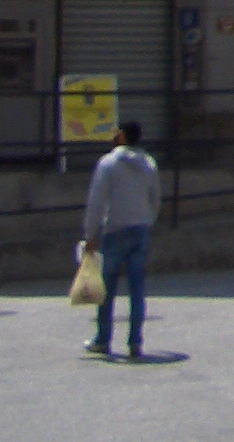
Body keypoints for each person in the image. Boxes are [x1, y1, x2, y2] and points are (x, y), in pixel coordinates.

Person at [80, 118, 162, 357]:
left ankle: (103, 338)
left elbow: (96, 201)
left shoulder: (108, 163)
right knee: (137, 289)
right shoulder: (149, 163)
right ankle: (135, 341)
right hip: (140, 230)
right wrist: (148, 219)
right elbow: (156, 198)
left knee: (106, 287)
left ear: (123, 136)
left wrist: (90, 234)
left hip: (114, 230)